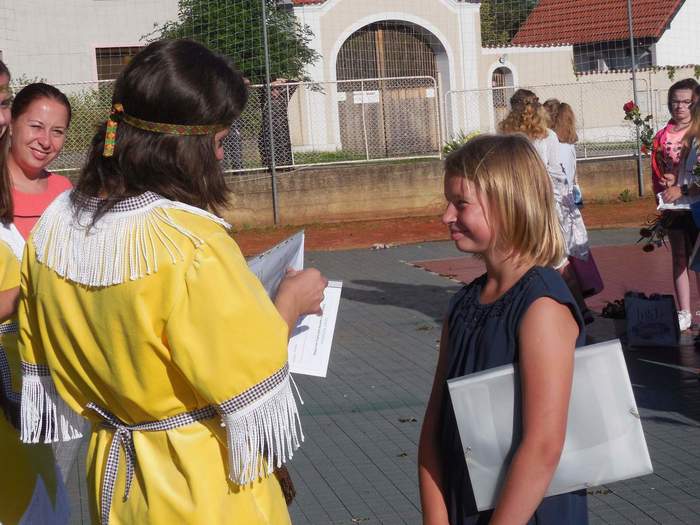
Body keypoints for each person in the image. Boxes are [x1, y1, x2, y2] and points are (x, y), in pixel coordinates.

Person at [17, 40, 327, 524]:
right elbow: (244, 373)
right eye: (219, 143)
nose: (220, 157)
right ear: (185, 147)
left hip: (113, 478)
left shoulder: (55, 228)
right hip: (200, 485)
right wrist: (290, 302)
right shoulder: (191, 243)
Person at [418, 134, 587, 524]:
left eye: (461, 204)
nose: (446, 216)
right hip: (465, 503)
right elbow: (433, 432)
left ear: (508, 205)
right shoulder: (463, 304)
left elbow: (543, 446)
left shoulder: (542, 305)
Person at [0, 65, 72, 524]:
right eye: (36, 126)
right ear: (14, 124)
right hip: (6, 379)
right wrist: (33, 293)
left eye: (57, 131)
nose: (46, 140)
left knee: (52, 489)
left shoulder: (66, 194)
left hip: (58, 376)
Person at [499, 89, 592, 321]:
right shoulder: (546, 136)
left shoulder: (507, 136)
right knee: (556, 258)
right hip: (541, 202)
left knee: (523, 257)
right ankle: (579, 309)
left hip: (520, 203)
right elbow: (555, 172)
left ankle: (524, 310)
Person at [653, 78, 700, 331]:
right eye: (675, 101)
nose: (680, 106)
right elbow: (672, 169)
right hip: (675, 204)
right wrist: (669, 179)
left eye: (686, 102)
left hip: (695, 202)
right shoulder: (663, 136)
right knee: (679, 256)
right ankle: (684, 311)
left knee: (698, 260)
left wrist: (681, 187)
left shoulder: (697, 133)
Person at [543, 99, 595, 317]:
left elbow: (557, 175)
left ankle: (575, 305)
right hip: (567, 201)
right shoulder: (568, 144)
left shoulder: (552, 143)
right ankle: (577, 303)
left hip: (558, 204)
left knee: (560, 258)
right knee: (567, 255)